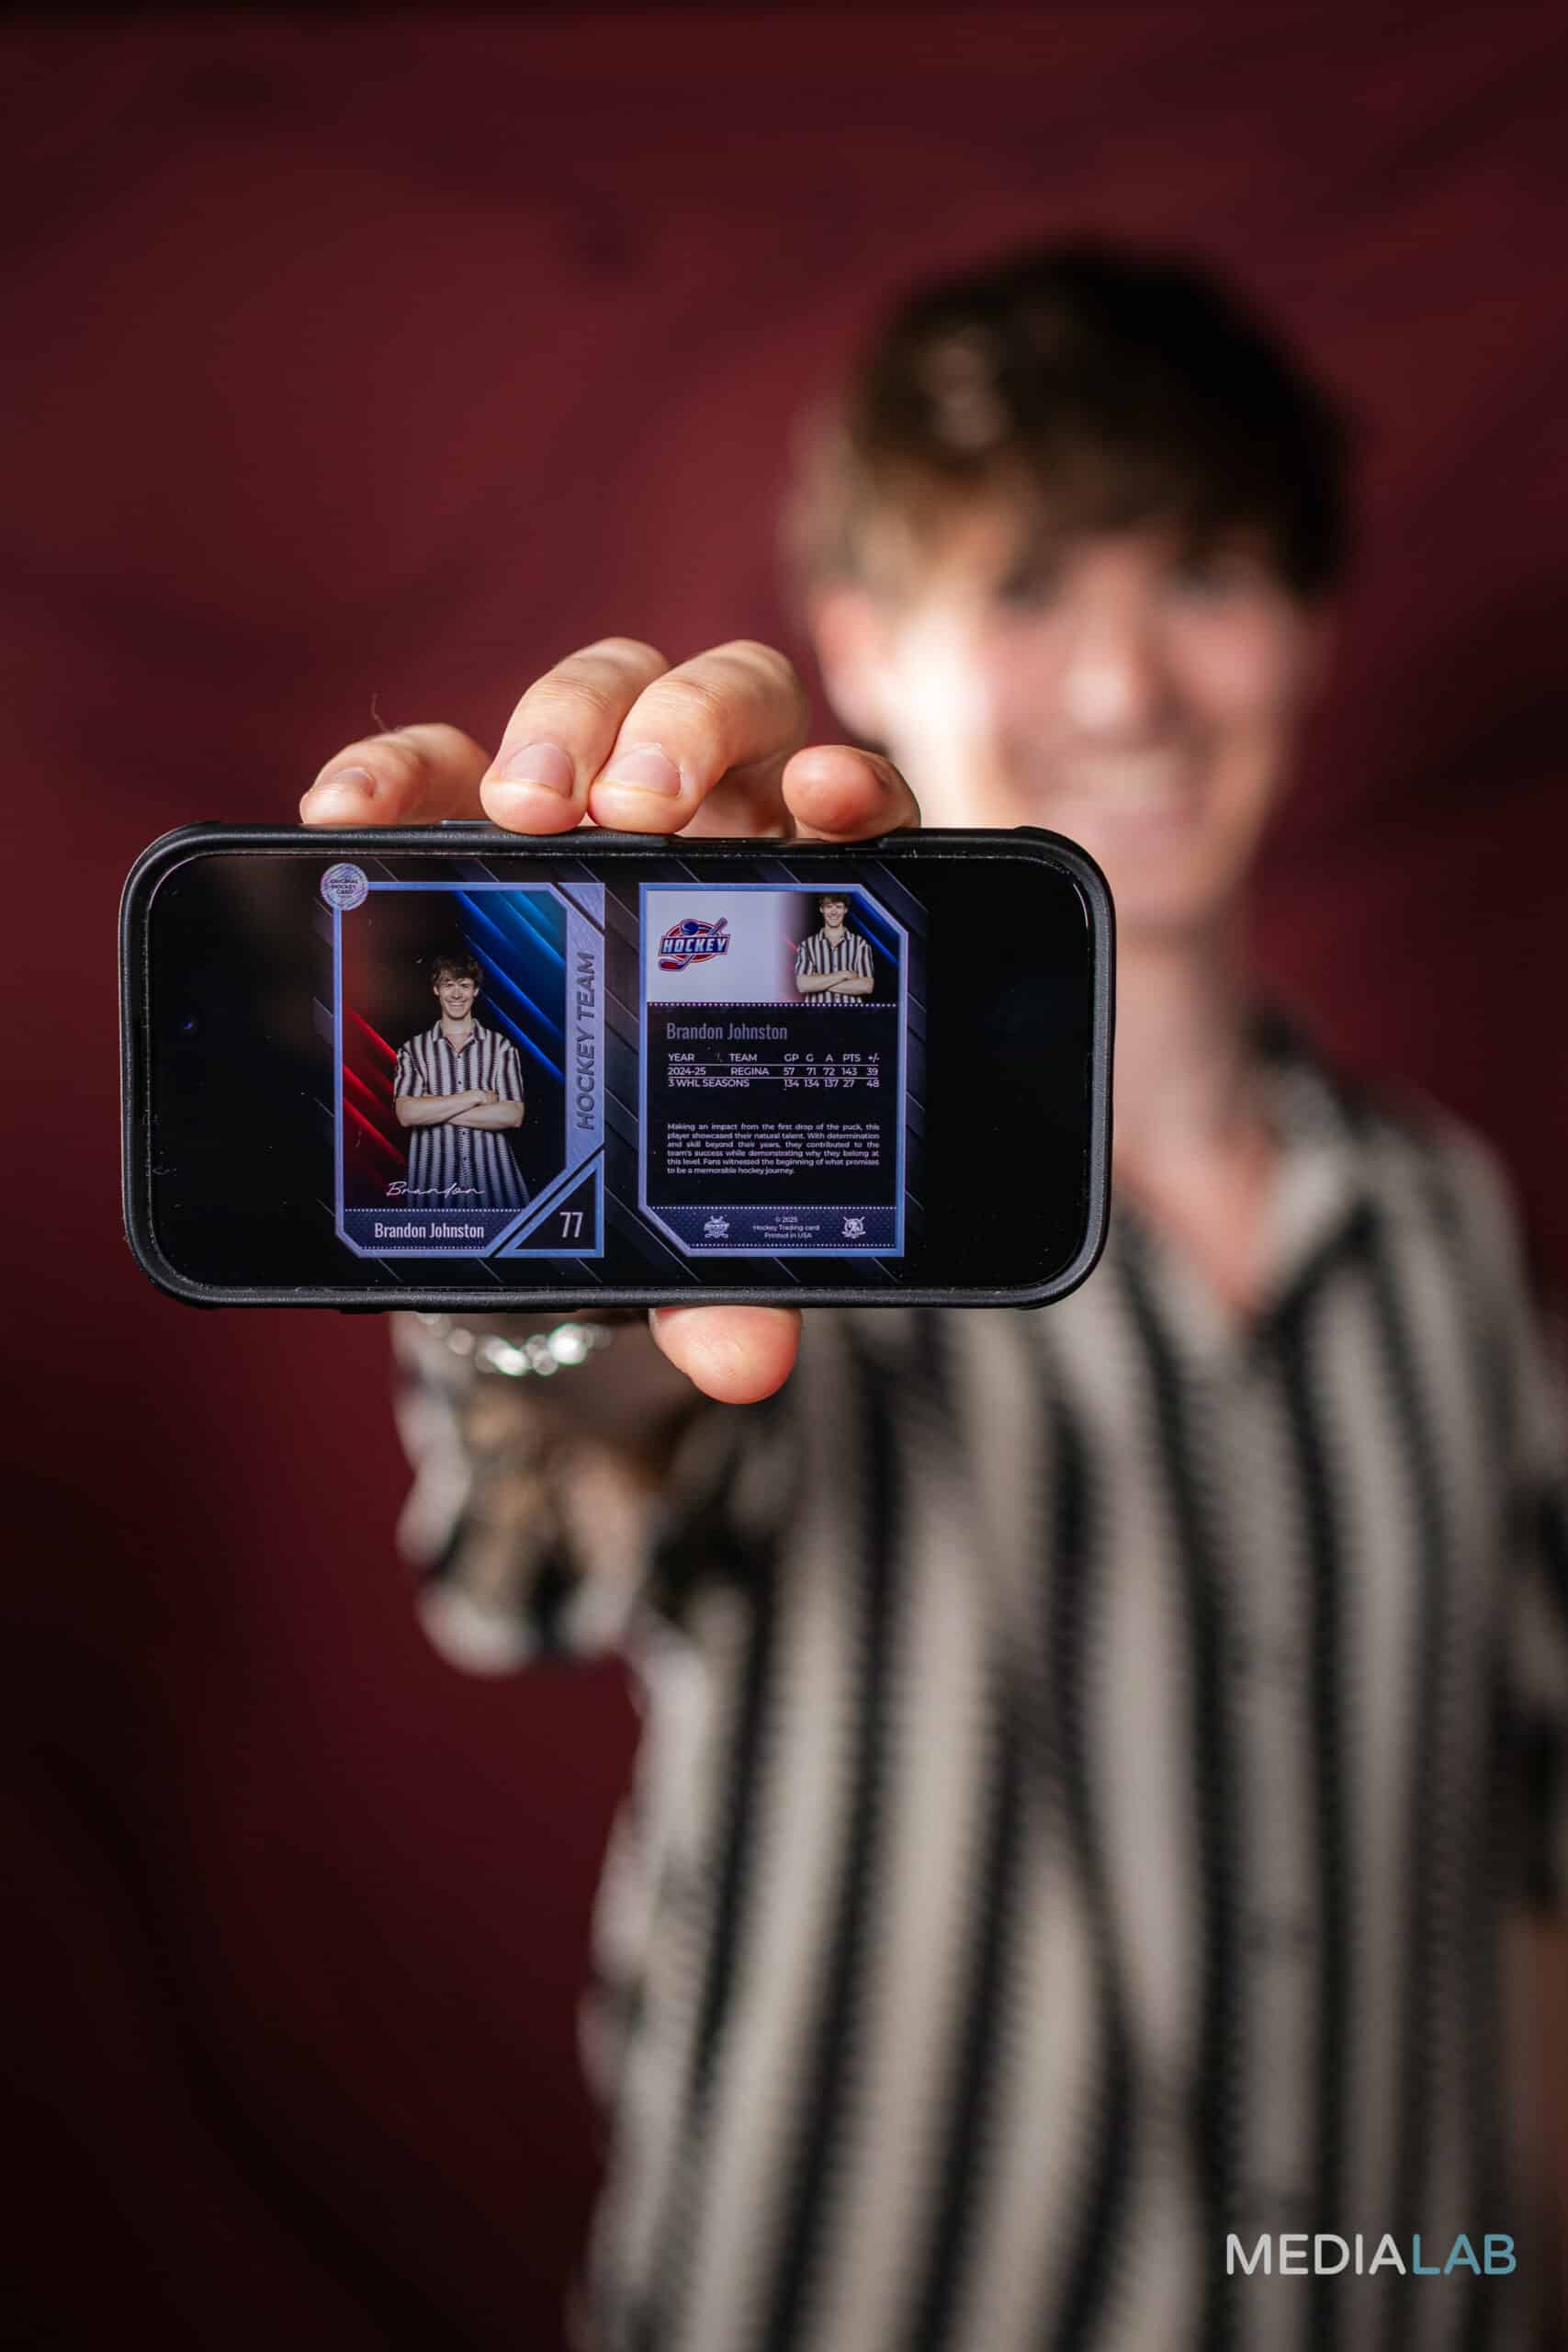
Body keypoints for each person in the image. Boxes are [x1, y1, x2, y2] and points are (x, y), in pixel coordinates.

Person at [299, 243, 1568, 2350]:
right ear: (861, 641)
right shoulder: (761, 1187)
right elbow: (560, 1486)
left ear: (1306, 626)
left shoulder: (1442, 1229)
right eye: (1024, 585)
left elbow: (1520, 1882)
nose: (1123, 684)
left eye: (1205, 571)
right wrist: (544, 1230)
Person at [390, 947, 527, 1209]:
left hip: (496, 1188)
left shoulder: (501, 1047)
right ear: (436, 990)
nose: (456, 994)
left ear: (475, 991)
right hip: (430, 1191)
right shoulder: (413, 1050)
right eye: (448, 984)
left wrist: (433, 1106)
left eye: (464, 985)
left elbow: (512, 1115)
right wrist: (474, 1097)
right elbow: (406, 1114)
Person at [794, 893, 876, 998]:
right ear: (821, 909)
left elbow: (867, 986)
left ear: (845, 910)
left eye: (838, 907)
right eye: (829, 906)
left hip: (851, 1013)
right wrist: (844, 974)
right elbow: (803, 985)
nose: (833, 912)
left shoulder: (860, 945)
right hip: (817, 1014)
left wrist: (817, 982)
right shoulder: (807, 946)